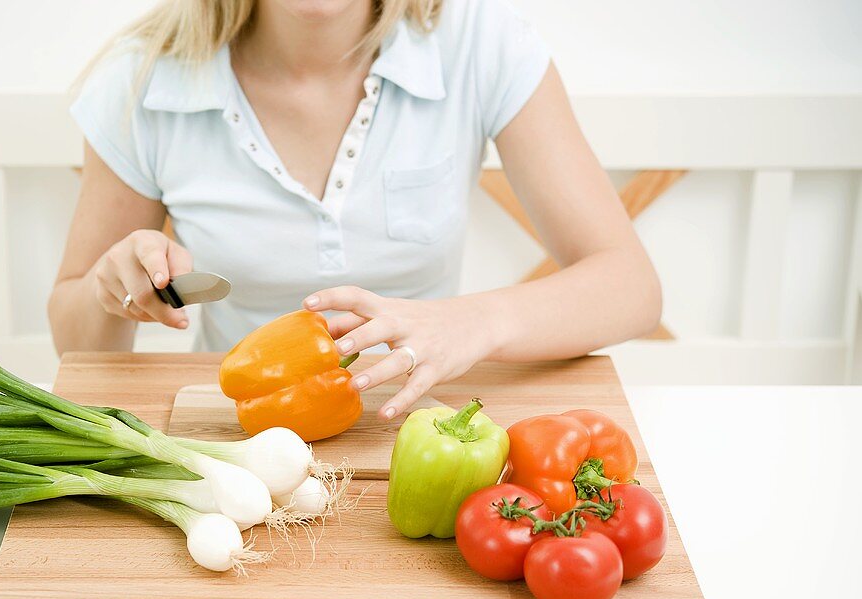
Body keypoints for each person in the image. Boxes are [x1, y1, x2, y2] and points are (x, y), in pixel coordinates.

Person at [49, 0, 661, 420]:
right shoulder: (144, 78)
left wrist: (471, 323)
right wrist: (112, 287)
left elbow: (630, 286)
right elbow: (73, 336)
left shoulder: (479, 41)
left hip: (421, 422)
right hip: (253, 438)